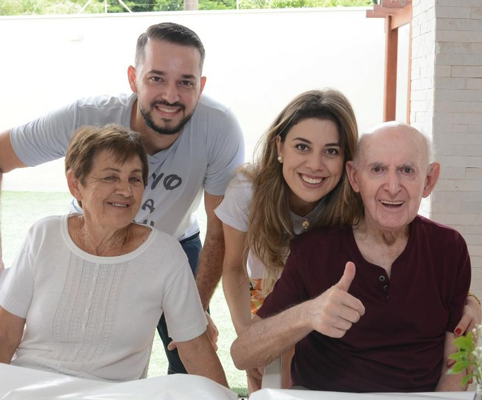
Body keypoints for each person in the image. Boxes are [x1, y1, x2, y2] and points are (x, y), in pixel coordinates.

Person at [0, 22, 244, 374]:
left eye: (185, 82)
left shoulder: (218, 128)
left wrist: (197, 308)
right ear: (133, 78)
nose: (171, 95)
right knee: (73, 339)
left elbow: (219, 232)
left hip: (175, 241)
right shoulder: (86, 118)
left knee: (190, 351)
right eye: (156, 78)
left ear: (201, 86)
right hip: (92, 237)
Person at [231, 122, 473, 392]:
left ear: (429, 179)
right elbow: (242, 354)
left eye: (407, 170)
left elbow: (455, 366)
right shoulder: (313, 251)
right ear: (355, 178)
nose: (393, 187)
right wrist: (309, 313)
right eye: (377, 169)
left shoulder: (449, 248)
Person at [0, 124, 228, 386]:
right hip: (27, 387)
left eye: (135, 179)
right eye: (110, 177)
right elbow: (5, 334)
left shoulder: (165, 255)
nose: (125, 190)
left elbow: (195, 348)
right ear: (76, 184)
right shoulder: (44, 235)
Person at [215, 89, 362, 390]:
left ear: (347, 158)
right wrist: (248, 336)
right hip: (265, 294)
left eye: (331, 151)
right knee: (268, 384)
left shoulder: (353, 201)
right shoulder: (247, 190)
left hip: (327, 300)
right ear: (280, 147)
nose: (315, 165)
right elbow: (233, 268)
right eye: (302, 147)